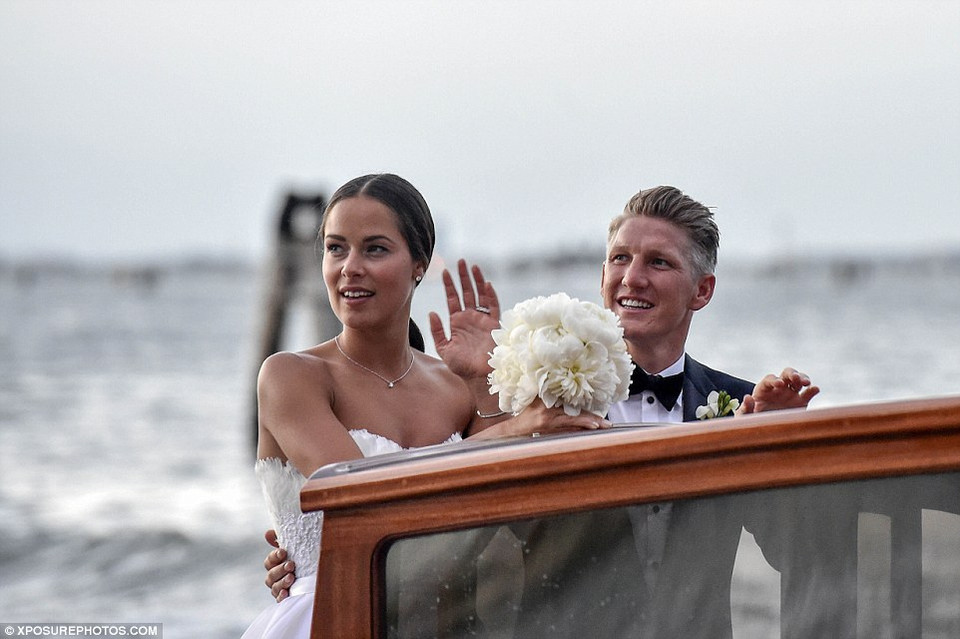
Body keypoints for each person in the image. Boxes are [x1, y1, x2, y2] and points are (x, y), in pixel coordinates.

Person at [242, 173, 600, 638]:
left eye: (374, 249)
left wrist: (483, 384)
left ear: (419, 264)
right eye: (336, 249)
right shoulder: (290, 377)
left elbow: (512, 529)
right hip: (333, 621)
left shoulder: (455, 388)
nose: (350, 267)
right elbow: (362, 496)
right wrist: (510, 433)